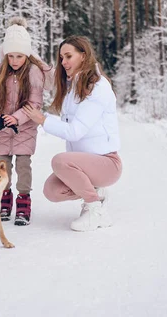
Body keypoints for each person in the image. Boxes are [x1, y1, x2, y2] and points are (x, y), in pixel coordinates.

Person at [22, 35, 122, 232]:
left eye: (68, 56)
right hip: (86, 165)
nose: (63, 62)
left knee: (60, 161)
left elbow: (74, 132)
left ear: (83, 56)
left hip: (107, 163)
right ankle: (96, 193)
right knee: (51, 190)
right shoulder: (73, 88)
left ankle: (95, 210)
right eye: (61, 58)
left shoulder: (97, 87)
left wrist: (43, 120)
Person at [0, 17, 52, 226]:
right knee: (2, 166)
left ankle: (24, 200)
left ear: (27, 54)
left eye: (19, 56)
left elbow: (35, 103)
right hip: (3, 128)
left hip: (25, 128)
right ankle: (4, 199)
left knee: (23, 165)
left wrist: (17, 118)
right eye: (10, 55)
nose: (14, 60)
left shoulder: (33, 72)